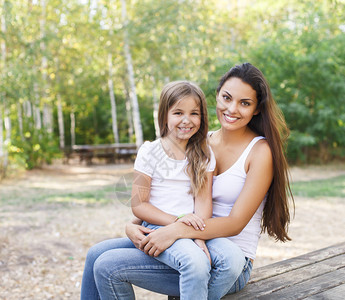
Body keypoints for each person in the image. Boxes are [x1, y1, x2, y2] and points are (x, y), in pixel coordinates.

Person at [81, 63, 294, 299]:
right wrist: (133, 224)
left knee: (109, 265)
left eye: (245, 103)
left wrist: (177, 231)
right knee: (95, 255)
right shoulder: (200, 141)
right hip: (187, 235)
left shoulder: (260, 151)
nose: (232, 108)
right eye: (227, 97)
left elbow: (235, 223)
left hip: (225, 257)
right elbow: (165, 189)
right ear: (217, 96)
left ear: (256, 109)